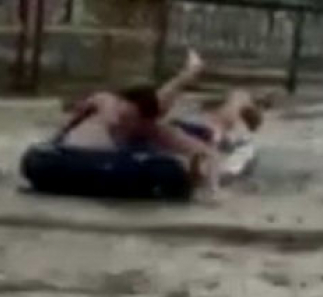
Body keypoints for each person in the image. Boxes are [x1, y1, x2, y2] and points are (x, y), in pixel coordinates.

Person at [56, 49, 224, 195]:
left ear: (145, 121)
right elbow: (72, 122)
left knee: (162, 101)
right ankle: (191, 70)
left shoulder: (155, 129)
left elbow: (208, 154)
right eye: (122, 116)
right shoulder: (106, 105)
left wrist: (207, 183)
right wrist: (59, 137)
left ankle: (192, 71)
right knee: (158, 100)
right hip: (128, 111)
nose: (120, 123)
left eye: (129, 120)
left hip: (156, 117)